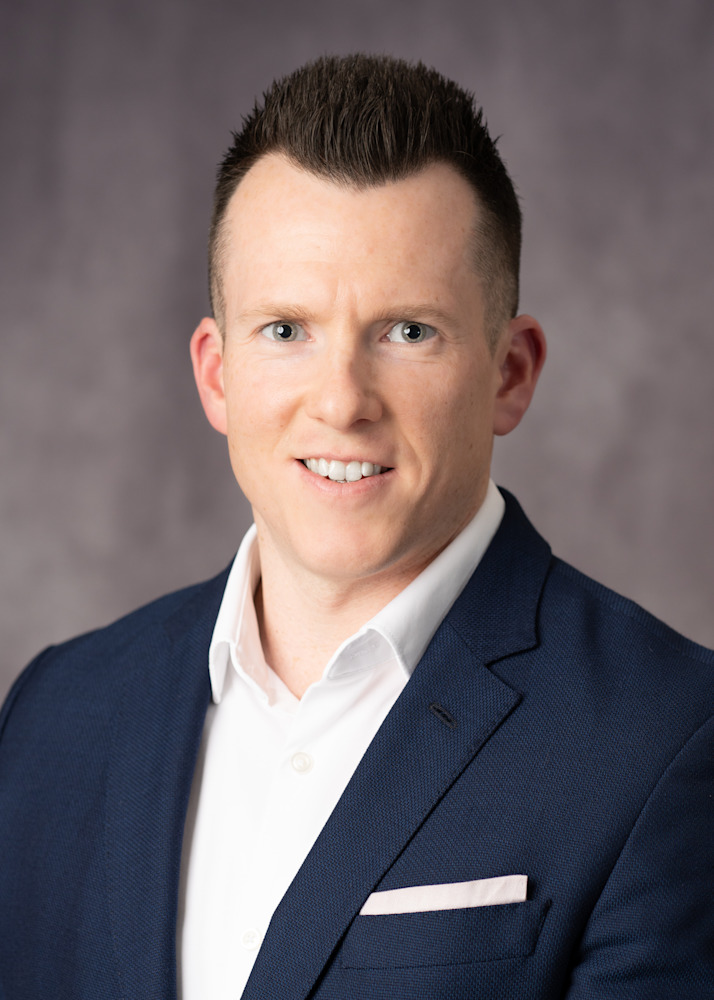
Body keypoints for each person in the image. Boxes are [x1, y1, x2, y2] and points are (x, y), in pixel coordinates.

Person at [0, 54, 712, 1000]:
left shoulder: (667, 737)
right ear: (217, 374)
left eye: (408, 331)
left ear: (510, 373)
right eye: (285, 330)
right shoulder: (53, 714)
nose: (341, 402)